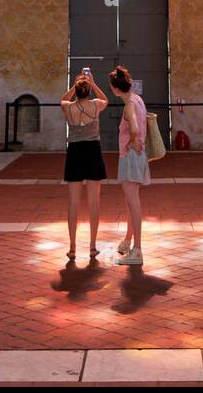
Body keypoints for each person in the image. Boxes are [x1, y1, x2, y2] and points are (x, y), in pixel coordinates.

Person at [60, 73, 108, 260]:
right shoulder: (96, 105)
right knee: (94, 202)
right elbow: (105, 99)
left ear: (77, 92)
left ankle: (72, 248)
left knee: (73, 202)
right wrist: (93, 83)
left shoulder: (68, 108)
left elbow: (63, 100)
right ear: (88, 91)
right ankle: (92, 246)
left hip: (74, 153)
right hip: (93, 152)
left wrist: (74, 85)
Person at [109, 65, 150, 265]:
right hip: (138, 156)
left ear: (115, 88)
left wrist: (133, 139)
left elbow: (134, 126)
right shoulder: (138, 99)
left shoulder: (129, 106)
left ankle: (138, 250)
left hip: (130, 156)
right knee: (130, 200)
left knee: (133, 203)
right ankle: (128, 240)